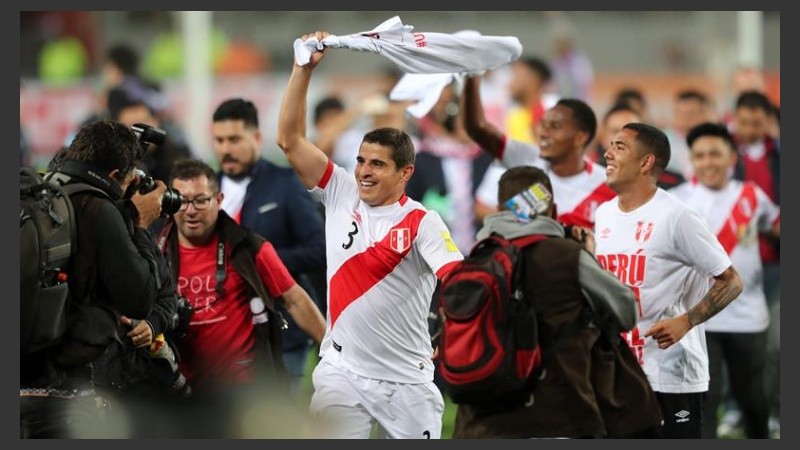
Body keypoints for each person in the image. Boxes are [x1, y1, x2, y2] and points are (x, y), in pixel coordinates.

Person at [276, 31, 464, 439]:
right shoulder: (340, 191)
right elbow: (289, 141)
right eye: (361, 160)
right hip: (342, 371)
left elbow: (460, 283)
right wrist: (302, 69)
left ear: (405, 173)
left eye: (377, 164)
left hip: (406, 380)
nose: (364, 170)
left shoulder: (423, 222)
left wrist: (453, 326)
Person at [452, 165, 662, 439]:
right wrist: (588, 256)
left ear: (499, 211)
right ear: (553, 211)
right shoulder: (567, 256)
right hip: (560, 414)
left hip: (481, 420)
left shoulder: (475, 260)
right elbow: (626, 313)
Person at [594, 122, 744, 438]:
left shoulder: (678, 217)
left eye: (619, 147)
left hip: (672, 375)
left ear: (646, 162)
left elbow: (731, 281)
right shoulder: (604, 214)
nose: (607, 154)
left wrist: (686, 321)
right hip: (619, 371)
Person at [157, 158, 326, 437]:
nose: (190, 211)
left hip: (243, 392)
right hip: (181, 391)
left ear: (219, 199)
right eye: (182, 202)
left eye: (200, 200)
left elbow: (295, 299)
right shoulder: (154, 251)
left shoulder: (247, 247)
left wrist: (333, 355)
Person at [21, 120, 167, 438]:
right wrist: (139, 224)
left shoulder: (38, 196)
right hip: (64, 393)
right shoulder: (99, 210)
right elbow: (139, 298)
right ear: (115, 176)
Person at [211, 98, 326, 396]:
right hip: (222, 333)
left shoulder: (285, 183)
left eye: (234, 139)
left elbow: (320, 248)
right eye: (219, 140)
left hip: (281, 332)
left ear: (257, 138)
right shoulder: (206, 190)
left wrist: (262, 262)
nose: (226, 149)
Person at [670, 122, 778, 439]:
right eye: (700, 155)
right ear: (691, 160)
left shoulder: (752, 196)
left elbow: (776, 223)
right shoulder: (676, 200)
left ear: (731, 157)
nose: (708, 162)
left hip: (749, 319)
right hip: (699, 320)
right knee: (707, 401)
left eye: (715, 154)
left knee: (753, 401)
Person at [462, 72, 616, 229]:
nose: (542, 133)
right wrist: (472, 76)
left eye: (554, 127)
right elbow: (477, 128)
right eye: (542, 124)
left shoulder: (609, 187)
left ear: (580, 137)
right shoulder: (528, 157)